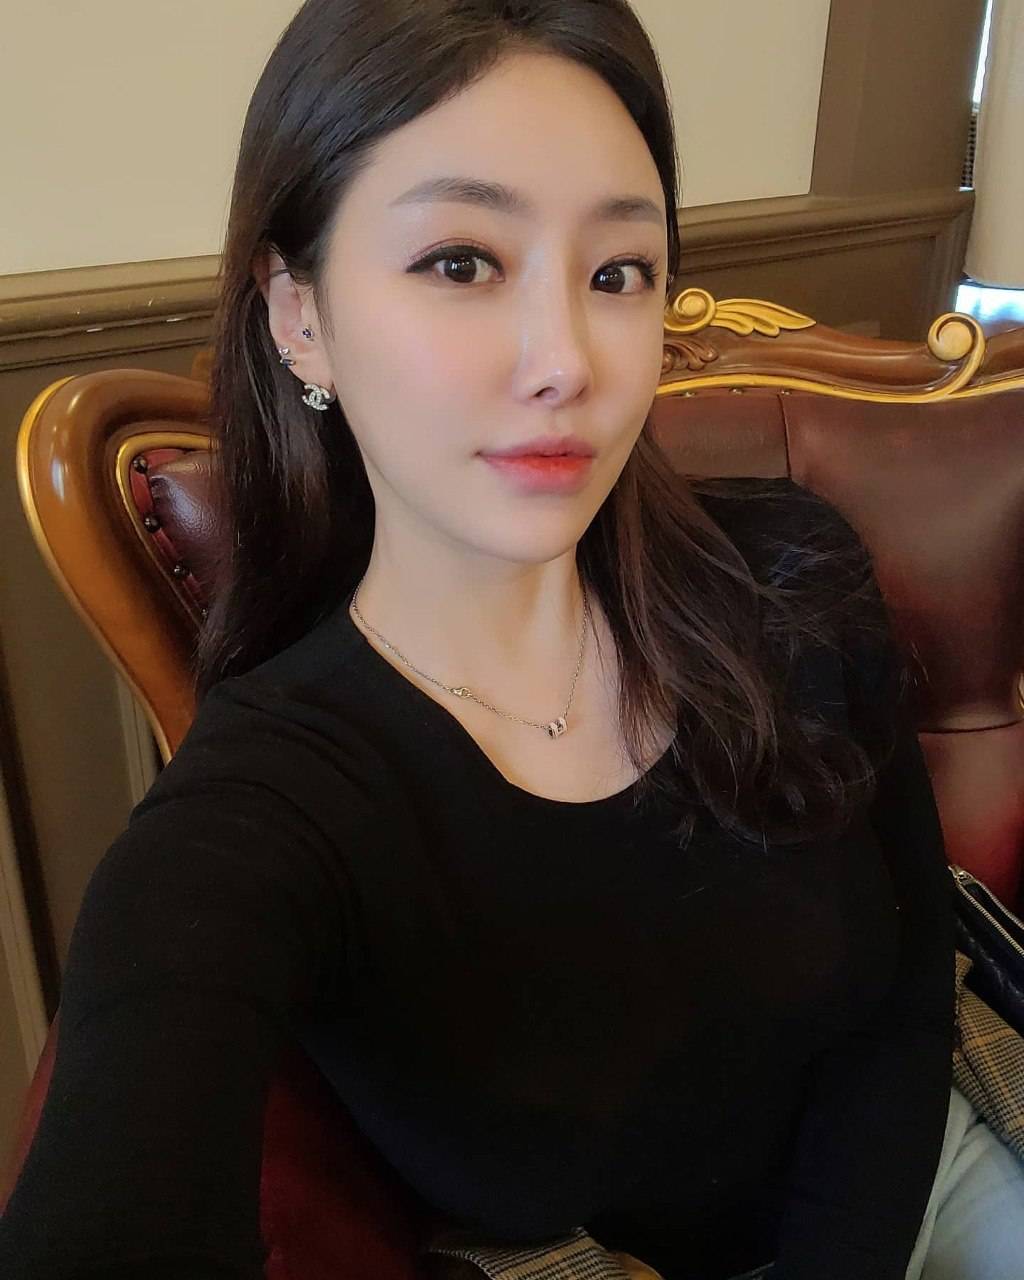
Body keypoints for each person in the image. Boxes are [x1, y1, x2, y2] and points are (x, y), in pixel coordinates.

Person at [1, 1, 1021, 1277]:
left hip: (936, 1170)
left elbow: (907, 979)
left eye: (617, 272)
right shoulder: (272, 800)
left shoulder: (790, 575)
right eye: (460, 262)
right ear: (299, 313)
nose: (566, 361)